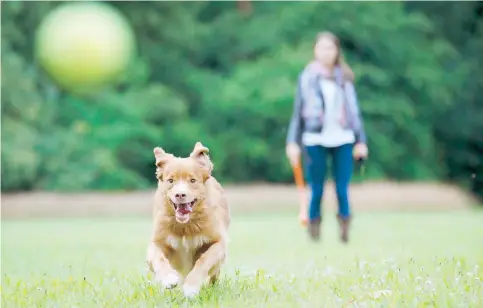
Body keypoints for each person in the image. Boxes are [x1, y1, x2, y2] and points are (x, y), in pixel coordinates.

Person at [285, 31, 368, 243]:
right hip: (314, 138)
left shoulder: (345, 77)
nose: (326, 52)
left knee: (342, 188)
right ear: (315, 50)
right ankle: (314, 232)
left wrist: (361, 141)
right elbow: (298, 112)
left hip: (343, 137)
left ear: (337, 51)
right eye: (321, 48)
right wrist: (292, 142)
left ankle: (345, 229)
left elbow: (354, 111)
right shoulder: (307, 77)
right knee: (317, 189)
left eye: (330, 48)